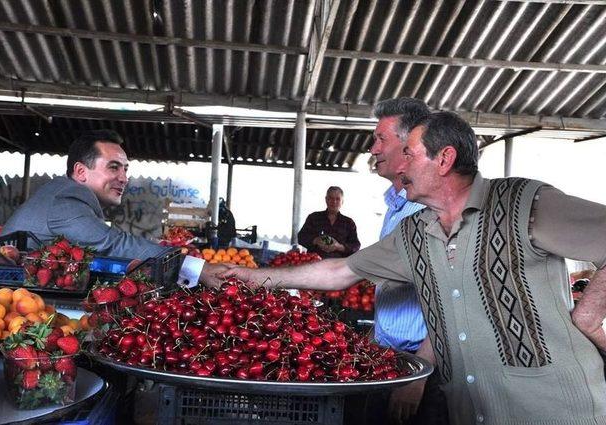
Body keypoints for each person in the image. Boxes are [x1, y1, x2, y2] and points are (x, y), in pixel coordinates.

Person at [219, 111, 606, 425]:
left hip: (557, 411)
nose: (398, 165)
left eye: (409, 153)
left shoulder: (525, 203)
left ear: (444, 159)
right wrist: (249, 277)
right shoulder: (414, 232)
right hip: (471, 411)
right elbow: (340, 272)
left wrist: (589, 318)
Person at [2, 129, 221, 286]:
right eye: (114, 167)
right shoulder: (66, 199)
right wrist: (196, 268)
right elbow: (112, 244)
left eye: (125, 169)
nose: (124, 178)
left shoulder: (65, 193)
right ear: (80, 172)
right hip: (13, 299)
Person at [368, 98, 447, 425]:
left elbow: (448, 298)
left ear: (410, 148)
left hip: (420, 368)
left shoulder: (431, 211)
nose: (373, 149)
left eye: (380, 139)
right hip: (391, 359)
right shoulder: (396, 206)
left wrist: (419, 374)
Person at [297, 186, 360, 258]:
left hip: (339, 265)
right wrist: (316, 240)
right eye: (331, 198)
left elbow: (356, 246)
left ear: (342, 201)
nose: (334, 202)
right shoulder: (313, 218)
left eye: (338, 199)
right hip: (315, 263)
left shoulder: (349, 223)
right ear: (326, 200)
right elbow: (301, 237)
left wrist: (339, 247)